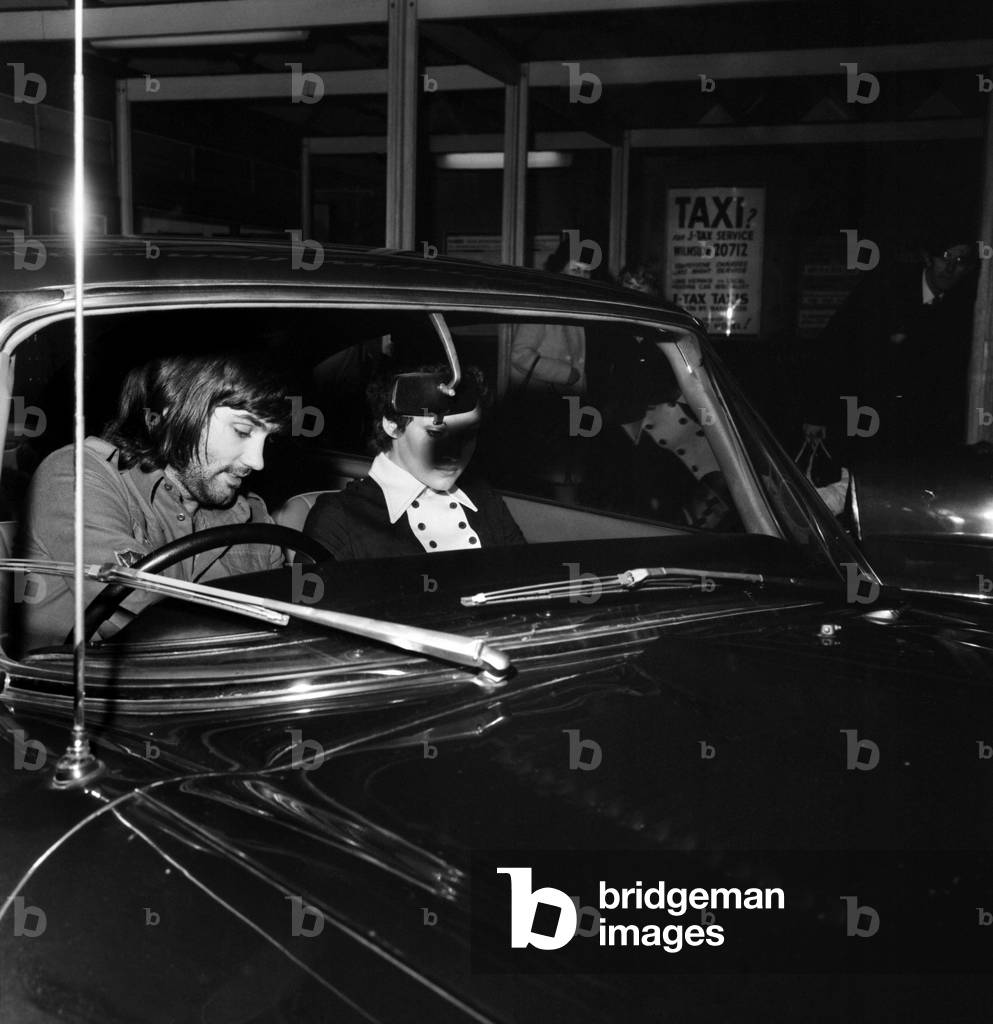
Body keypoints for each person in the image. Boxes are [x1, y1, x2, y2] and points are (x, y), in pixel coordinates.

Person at [18, 353, 290, 649]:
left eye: (268, 439)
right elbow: (146, 621)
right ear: (174, 411)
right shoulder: (78, 476)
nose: (257, 461)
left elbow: (287, 620)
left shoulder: (252, 514)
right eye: (242, 431)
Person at [304, 366, 524, 560]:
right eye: (436, 433)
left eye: (468, 433)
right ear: (392, 424)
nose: (454, 453)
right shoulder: (339, 517)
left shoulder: (484, 499)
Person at [802, 225, 979, 459]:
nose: (951, 268)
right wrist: (817, 414)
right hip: (864, 417)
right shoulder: (884, 291)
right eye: (945, 257)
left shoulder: (964, 308)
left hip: (918, 430)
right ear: (927, 258)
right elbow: (835, 345)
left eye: (960, 261)